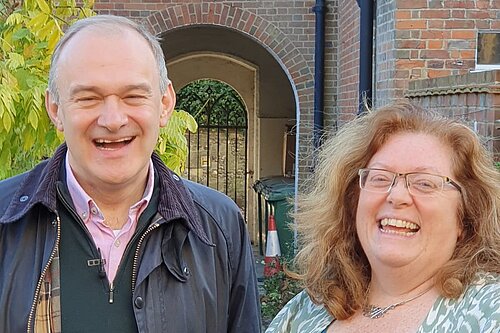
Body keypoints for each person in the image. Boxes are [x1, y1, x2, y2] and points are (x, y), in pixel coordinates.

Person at [0, 15, 261, 333]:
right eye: (88, 98)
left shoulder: (220, 226)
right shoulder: (6, 220)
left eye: (133, 96)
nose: (112, 119)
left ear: (164, 104)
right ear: (55, 109)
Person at [266, 101, 500, 332]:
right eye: (380, 178)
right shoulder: (306, 311)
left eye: (424, 183)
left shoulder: (488, 314)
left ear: (466, 215)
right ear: (353, 201)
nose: (397, 196)